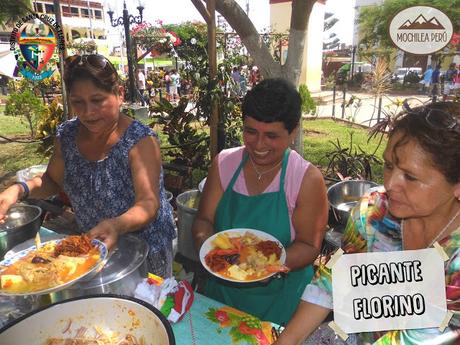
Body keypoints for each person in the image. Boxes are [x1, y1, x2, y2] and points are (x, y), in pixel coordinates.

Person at [274, 101, 460, 344]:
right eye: (389, 165)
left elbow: (418, 338)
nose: (391, 184)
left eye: (411, 177)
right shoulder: (375, 211)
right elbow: (332, 283)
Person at [0, 54, 176, 278]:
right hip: (92, 247)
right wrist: (19, 189)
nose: (88, 112)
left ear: (119, 94)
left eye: (97, 100)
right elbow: (53, 181)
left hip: (145, 251)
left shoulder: (140, 141)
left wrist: (117, 225)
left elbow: (148, 204)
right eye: (78, 102)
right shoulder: (67, 135)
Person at [192, 78, 329, 325]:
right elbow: (204, 220)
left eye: (272, 136)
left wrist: (271, 266)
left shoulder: (306, 179)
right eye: (250, 131)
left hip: (280, 304)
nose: (258, 144)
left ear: (293, 131)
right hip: (222, 296)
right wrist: (209, 251)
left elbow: (310, 245)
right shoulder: (224, 163)